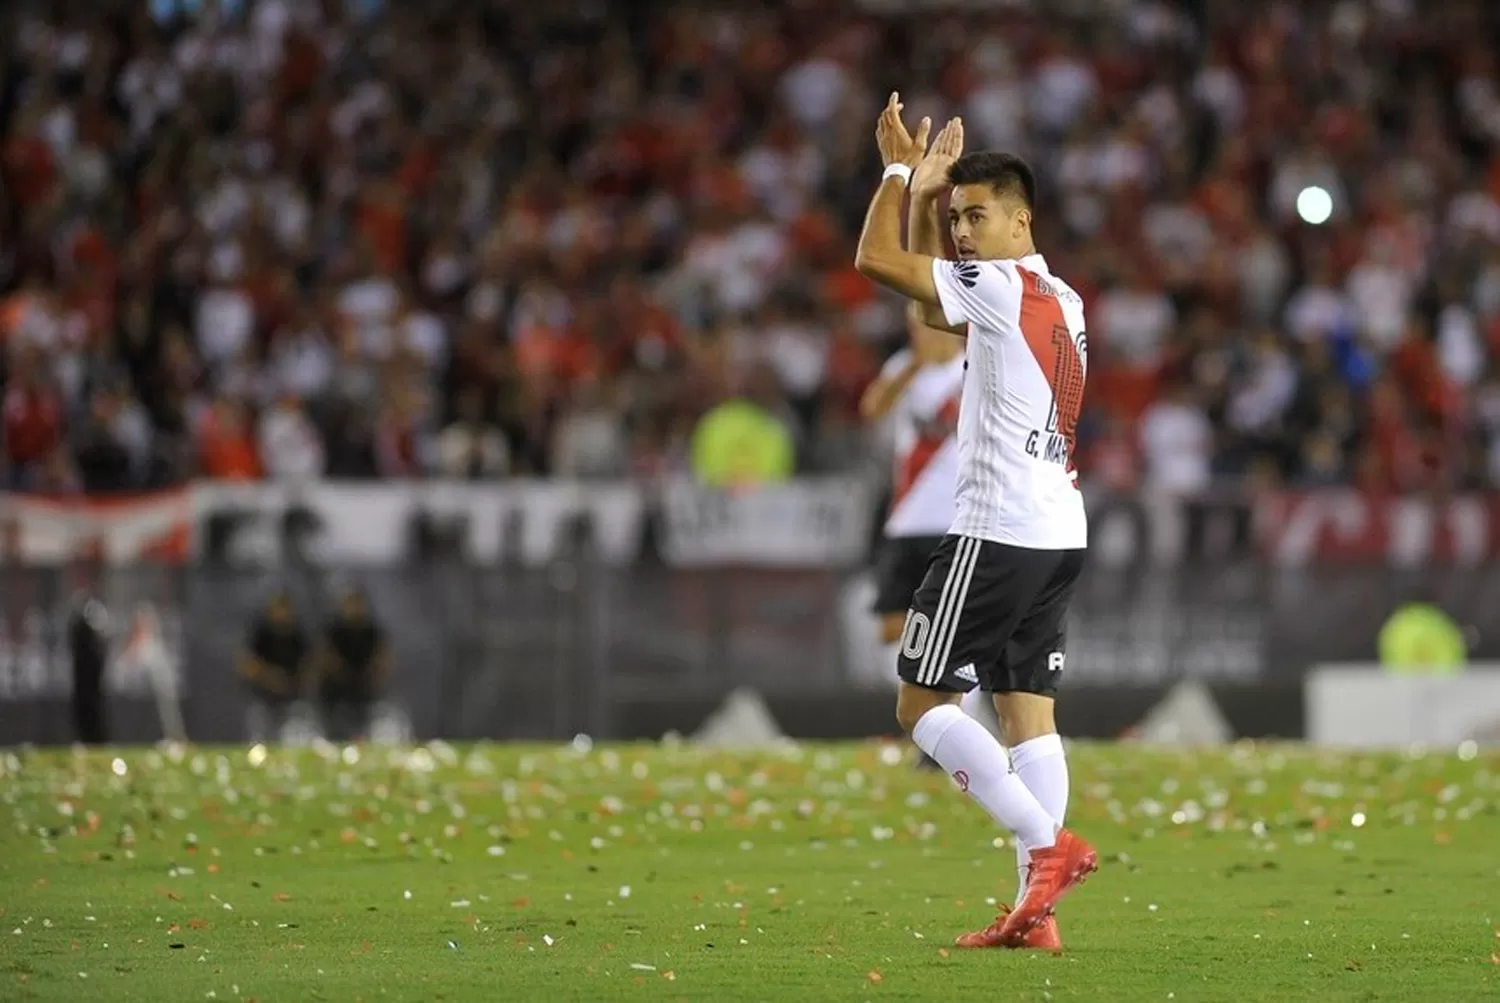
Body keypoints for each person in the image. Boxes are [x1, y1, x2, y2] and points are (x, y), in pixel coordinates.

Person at [853, 96, 1096, 949]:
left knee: (920, 701)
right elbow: (929, 310)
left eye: (976, 215)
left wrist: (893, 172)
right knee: (1028, 716)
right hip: (1059, 529)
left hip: (997, 530)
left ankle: (1046, 847)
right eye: (957, 218)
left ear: (1021, 217)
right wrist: (928, 197)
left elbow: (875, 261)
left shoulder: (997, 285)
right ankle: (1039, 915)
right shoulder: (1058, 297)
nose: (963, 231)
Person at [861, 304, 1000, 758]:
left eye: (924, 321)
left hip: (959, 519)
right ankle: (931, 720)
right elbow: (871, 408)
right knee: (891, 628)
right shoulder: (904, 368)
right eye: (913, 324)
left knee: (957, 631)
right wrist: (912, 367)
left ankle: (955, 732)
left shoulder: (975, 366)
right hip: (907, 518)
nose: (918, 332)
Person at [316, 585, 389, 742]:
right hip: (336, 687)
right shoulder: (335, 630)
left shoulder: (371, 631)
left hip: (363, 686)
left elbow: (382, 656)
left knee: (364, 724)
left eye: (358, 604)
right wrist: (342, 672)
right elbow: (326, 656)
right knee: (335, 726)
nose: (355, 609)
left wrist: (371, 674)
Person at [239, 591, 310, 742]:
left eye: (286, 609)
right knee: (261, 735)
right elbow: (247, 666)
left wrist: (291, 682)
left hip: (292, 699)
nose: (283, 614)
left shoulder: (298, 637)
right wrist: (271, 677)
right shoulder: (261, 635)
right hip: (263, 698)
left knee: (295, 733)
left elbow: (309, 666)